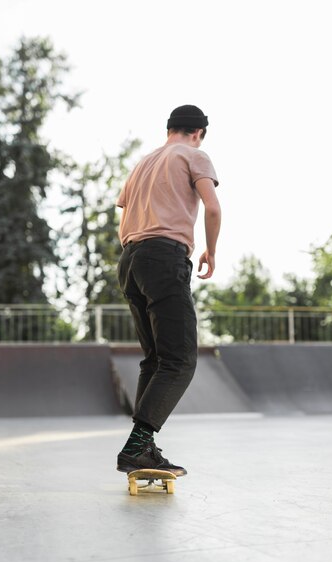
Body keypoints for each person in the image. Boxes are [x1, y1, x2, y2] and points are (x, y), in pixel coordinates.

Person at [116, 104, 221, 476]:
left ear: (170, 129)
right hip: (163, 256)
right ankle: (135, 448)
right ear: (198, 132)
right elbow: (212, 207)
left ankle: (145, 448)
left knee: (156, 360)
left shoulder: (143, 162)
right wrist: (210, 248)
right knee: (180, 360)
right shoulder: (195, 155)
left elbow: (124, 216)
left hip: (130, 260)